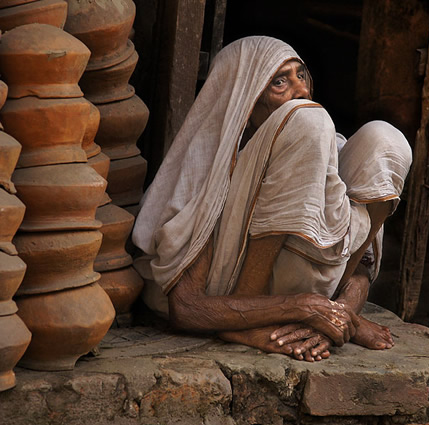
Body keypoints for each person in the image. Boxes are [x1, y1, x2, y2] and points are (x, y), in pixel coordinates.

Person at [131, 36, 412, 362]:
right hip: (234, 293)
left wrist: (338, 314)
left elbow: (361, 274)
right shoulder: (215, 173)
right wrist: (303, 308)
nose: (302, 91)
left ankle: (317, 309)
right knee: (308, 119)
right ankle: (245, 320)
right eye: (280, 81)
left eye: (301, 75)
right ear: (246, 101)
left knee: (385, 138)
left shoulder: (329, 150)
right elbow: (187, 307)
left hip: (323, 290)